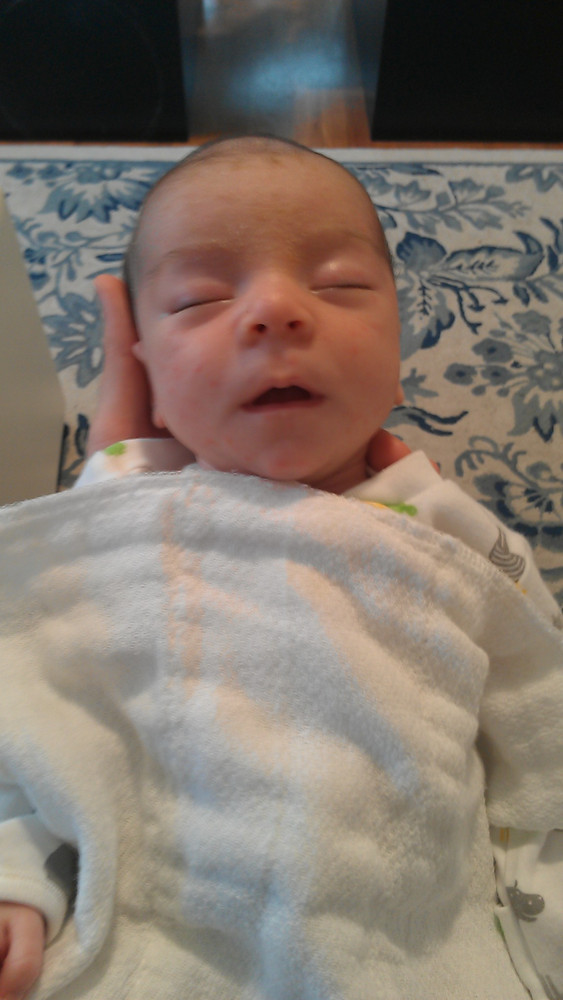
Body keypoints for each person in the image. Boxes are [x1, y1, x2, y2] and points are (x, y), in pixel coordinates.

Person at [0, 136, 561, 1000]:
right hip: (150, 940)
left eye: (338, 284)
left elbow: (539, 708)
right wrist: (16, 873)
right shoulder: (117, 529)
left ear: (398, 351)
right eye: (199, 298)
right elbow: (37, 715)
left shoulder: (449, 531)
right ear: (149, 376)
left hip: (405, 946)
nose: (274, 310)